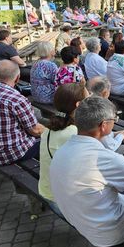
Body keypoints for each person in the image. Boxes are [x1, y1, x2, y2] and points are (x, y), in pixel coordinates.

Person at [50, 96, 124, 247]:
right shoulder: (109, 160)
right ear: (104, 125)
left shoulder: (62, 151)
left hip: (79, 220)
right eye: (115, 118)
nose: (115, 122)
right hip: (109, 233)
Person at [39, 83, 89, 214]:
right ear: (79, 105)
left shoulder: (49, 128)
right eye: (88, 99)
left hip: (46, 190)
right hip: (61, 200)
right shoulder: (73, 132)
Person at [0, 60, 45, 165]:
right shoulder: (17, 99)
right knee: (50, 140)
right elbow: (35, 130)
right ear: (17, 78)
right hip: (13, 154)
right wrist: (51, 131)